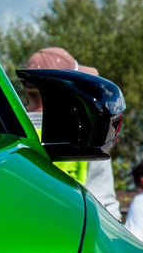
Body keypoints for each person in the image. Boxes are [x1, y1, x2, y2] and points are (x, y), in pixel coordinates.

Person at [20, 47, 119, 215]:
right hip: (73, 234)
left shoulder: (5, 130)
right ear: (66, 86)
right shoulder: (86, 134)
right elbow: (104, 209)